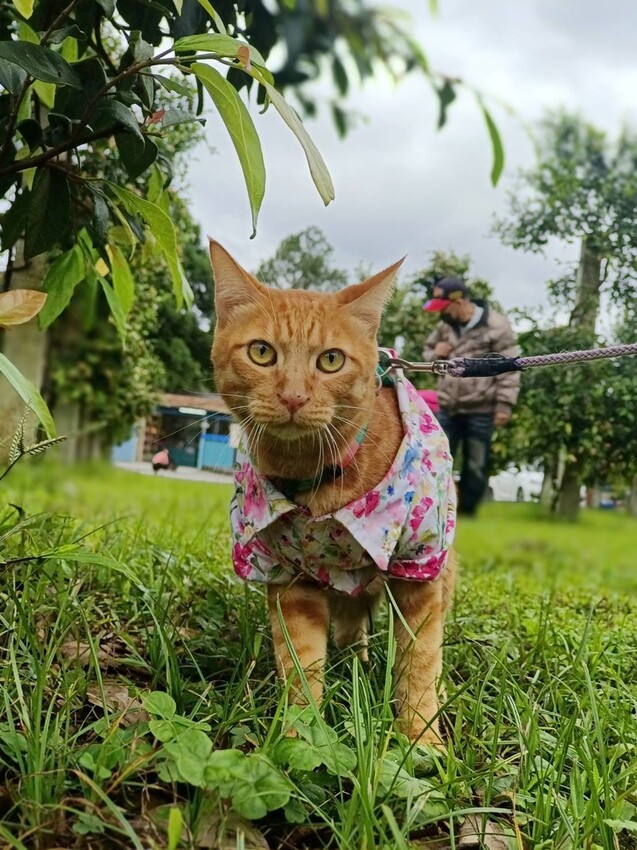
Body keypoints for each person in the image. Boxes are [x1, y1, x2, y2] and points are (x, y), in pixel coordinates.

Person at [422, 277, 520, 517]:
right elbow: (427, 352)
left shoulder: (497, 326)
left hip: (481, 407)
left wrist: (504, 405)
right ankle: (437, 510)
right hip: (448, 405)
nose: (441, 314)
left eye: (444, 307)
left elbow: (509, 367)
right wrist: (435, 353)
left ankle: (466, 513)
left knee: (476, 465)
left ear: (459, 301)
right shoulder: (446, 327)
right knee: (439, 459)